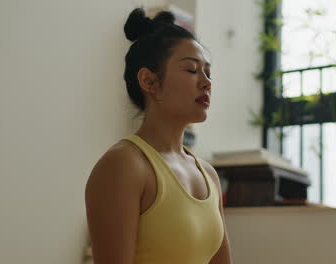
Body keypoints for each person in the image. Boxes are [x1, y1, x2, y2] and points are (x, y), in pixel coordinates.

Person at [84, 7, 232, 264]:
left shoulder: (208, 175)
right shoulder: (124, 165)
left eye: (208, 72)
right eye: (191, 70)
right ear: (149, 82)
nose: (207, 82)